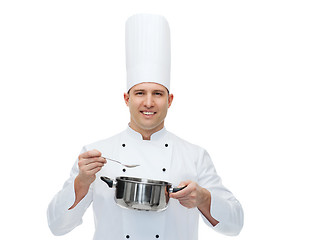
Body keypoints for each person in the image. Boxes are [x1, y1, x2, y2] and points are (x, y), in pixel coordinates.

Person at [47, 13, 244, 240]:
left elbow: (235, 224)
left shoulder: (194, 156)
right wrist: (80, 183)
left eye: (158, 94)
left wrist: (204, 199)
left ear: (169, 100)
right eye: (140, 93)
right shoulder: (95, 155)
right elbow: (56, 227)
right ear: (126, 98)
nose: (149, 102)